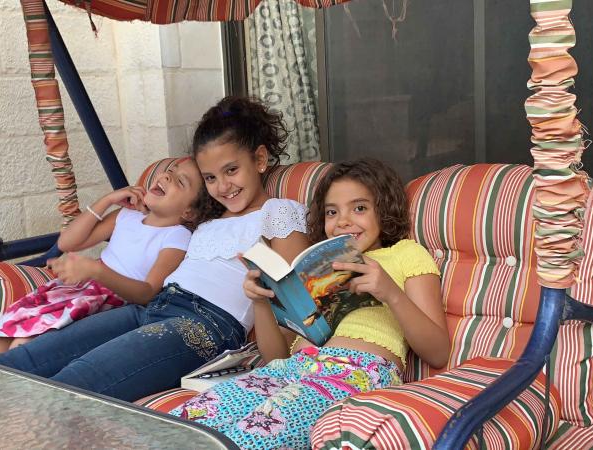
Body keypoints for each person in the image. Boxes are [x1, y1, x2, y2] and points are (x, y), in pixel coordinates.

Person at [0, 96, 309, 402]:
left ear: (260, 159)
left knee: (75, 382)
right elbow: (156, 223)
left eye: (231, 170)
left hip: (203, 325)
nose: (223, 186)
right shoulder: (207, 219)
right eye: (210, 177)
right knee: (21, 363)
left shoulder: (278, 213)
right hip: (151, 308)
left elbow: (296, 306)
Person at [172, 158, 450, 450]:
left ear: (383, 209)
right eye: (332, 212)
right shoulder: (312, 270)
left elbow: (438, 352)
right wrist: (261, 302)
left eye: (359, 208)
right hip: (290, 369)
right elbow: (275, 356)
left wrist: (391, 293)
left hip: (354, 374)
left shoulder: (404, 254)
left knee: (249, 437)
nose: (343, 221)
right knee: (188, 422)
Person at [0, 158, 210, 361]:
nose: (167, 177)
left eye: (180, 181)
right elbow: (67, 243)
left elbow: (147, 293)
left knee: (24, 343)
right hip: (77, 289)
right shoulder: (126, 215)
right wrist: (107, 200)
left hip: (111, 303)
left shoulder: (177, 237)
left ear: (189, 212)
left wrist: (95, 271)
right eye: (169, 172)